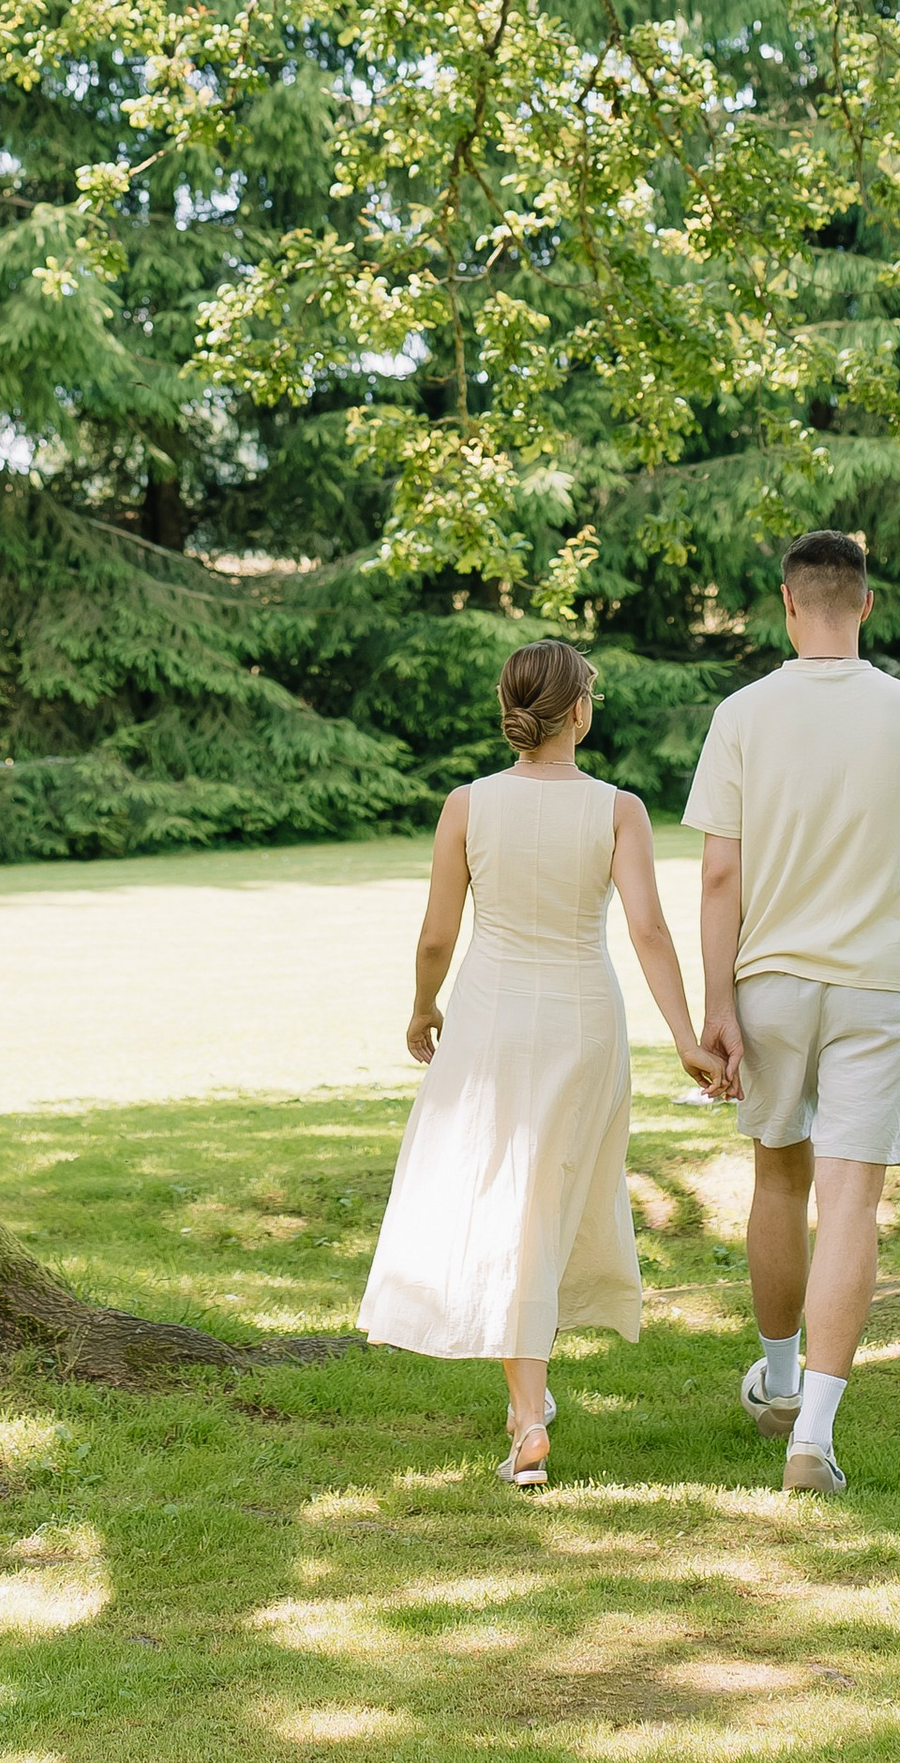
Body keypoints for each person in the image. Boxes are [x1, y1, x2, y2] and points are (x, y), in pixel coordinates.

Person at [358, 636, 729, 1488]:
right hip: (581, 1019)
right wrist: (683, 1036)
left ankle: (529, 1411)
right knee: (549, 1193)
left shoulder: (467, 804)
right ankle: (531, 1403)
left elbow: (436, 935)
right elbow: (647, 930)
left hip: (488, 1019)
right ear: (581, 714)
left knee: (507, 1196)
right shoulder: (617, 808)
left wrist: (423, 1006)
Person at [687, 528, 900, 1497]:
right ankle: (811, 1435)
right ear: (865, 603)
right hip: (880, 984)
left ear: (785, 603)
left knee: (778, 1178)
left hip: (768, 982)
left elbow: (719, 871)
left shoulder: (741, 714)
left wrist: (714, 1003)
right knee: (851, 1200)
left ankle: (773, 1379)